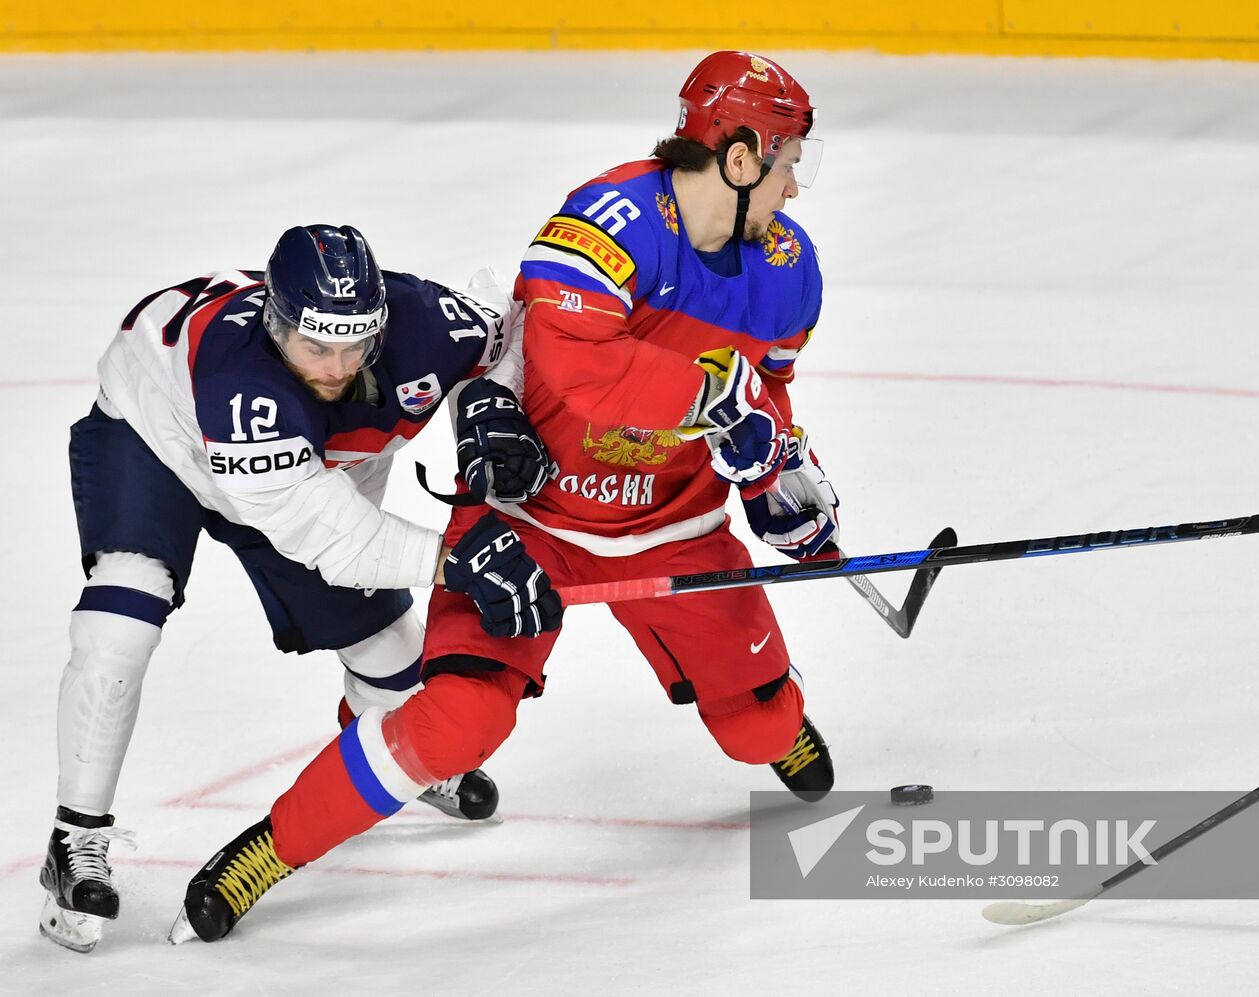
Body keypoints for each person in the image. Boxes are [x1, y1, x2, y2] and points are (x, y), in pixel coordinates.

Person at [171, 50, 839, 943]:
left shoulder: (790, 267)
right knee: (454, 722)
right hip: (532, 520)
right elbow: (575, 366)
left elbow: (773, 395)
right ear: (742, 155)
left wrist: (782, 476)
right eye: (789, 160)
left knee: (761, 733)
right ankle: (270, 846)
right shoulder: (610, 217)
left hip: (677, 524)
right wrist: (720, 401)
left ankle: (769, 705)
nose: (796, 187)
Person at [41, 224, 559, 953]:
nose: (340, 365)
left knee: (393, 658)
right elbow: (336, 540)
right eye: (318, 347)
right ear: (275, 324)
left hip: (306, 480)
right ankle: (73, 840)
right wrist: (454, 559)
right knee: (120, 621)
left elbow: (514, 324)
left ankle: (367, 723)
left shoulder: (424, 323)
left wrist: (485, 404)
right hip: (157, 440)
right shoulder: (239, 383)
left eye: (357, 344)